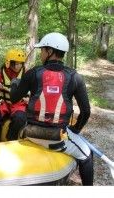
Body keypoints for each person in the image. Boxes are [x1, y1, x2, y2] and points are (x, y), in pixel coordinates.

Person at [10, 32, 93, 185]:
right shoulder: (75, 77)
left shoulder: (32, 73)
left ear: (50, 52)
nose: (40, 53)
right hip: (57, 138)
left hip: (30, 133)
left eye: (42, 50)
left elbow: (14, 98)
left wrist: (15, 83)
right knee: (87, 155)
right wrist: (75, 129)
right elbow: (86, 112)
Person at [0, 49, 28, 142]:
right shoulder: (1, 73)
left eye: (20, 63)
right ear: (8, 63)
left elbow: (34, 90)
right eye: (15, 63)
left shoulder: (26, 73)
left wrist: (30, 99)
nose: (18, 66)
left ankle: (10, 139)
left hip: (19, 105)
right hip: (5, 104)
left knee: (20, 119)